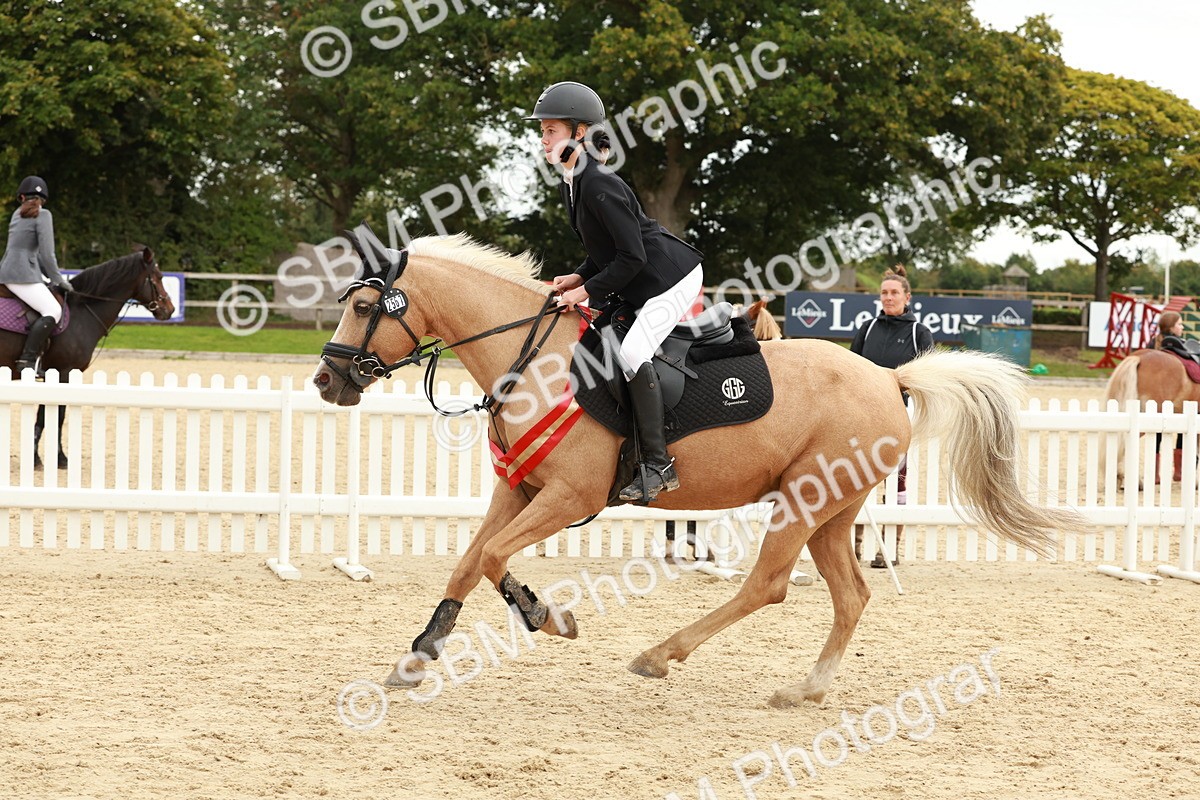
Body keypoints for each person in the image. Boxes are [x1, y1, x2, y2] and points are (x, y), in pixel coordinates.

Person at [527, 81, 704, 503]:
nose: (543, 138)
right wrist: (578, 275)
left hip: (670, 279)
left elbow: (632, 256)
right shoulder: (572, 182)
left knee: (631, 354)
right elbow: (605, 250)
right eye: (543, 131)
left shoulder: (598, 183)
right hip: (639, 276)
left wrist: (585, 292)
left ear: (580, 132)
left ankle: (658, 465)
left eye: (551, 130)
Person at [849, 265, 934, 567]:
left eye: (894, 292)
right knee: (853, 480)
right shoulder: (867, 329)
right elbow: (850, 372)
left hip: (898, 415)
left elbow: (927, 377)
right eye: (884, 293)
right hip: (860, 414)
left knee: (895, 483)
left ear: (907, 297)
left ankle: (889, 549)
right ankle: (854, 546)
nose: (888, 297)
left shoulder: (919, 333)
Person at [0, 176, 71, 375]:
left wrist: (46, 276)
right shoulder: (43, 215)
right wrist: (58, 280)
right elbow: (47, 254)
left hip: (7, 270)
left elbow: (29, 252)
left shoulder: (17, 214)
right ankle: (27, 360)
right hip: (21, 275)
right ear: (43, 199)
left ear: (22, 197)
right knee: (53, 310)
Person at [1153, 310, 1187, 482]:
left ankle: (1155, 473)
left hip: (1158, 400)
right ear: (1172, 328)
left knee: (1157, 432)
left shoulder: (1152, 345)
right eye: (1179, 324)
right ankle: (1179, 471)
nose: (1182, 327)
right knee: (1183, 429)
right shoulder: (1180, 347)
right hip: (1178, 398)